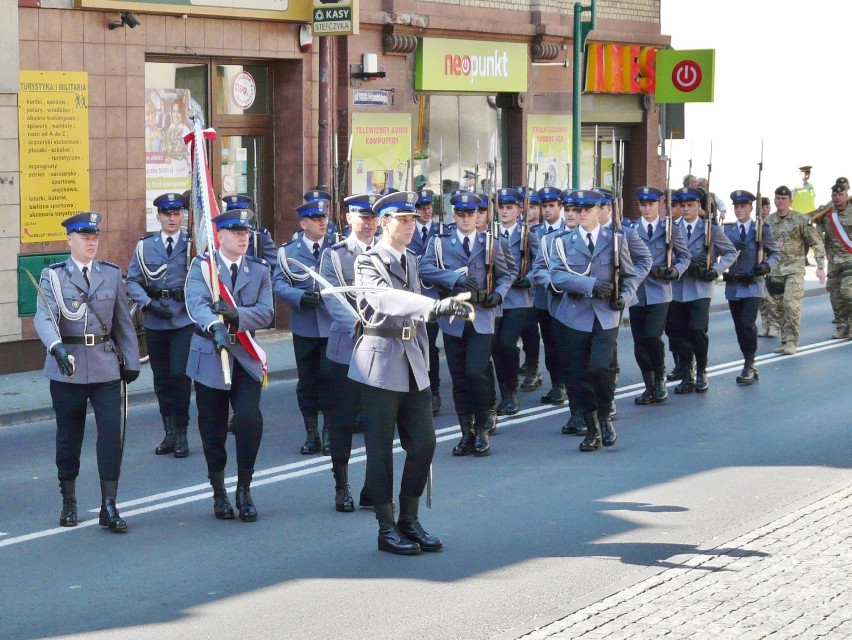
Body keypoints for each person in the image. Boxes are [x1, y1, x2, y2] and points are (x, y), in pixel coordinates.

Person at [349, 190, 471, 555]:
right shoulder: (367, 261)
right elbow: (385, 300)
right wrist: (435, 306)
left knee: (424, 443)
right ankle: (386, 527)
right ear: (384, 223)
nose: (409, 225)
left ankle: (409, 518)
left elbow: (412, 313)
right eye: (402, 220)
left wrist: (425, 352)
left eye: (413, 219)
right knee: (380, 449)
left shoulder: (411, 260)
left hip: (412, 359)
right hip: (380, 361)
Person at [33, 212, 140, 532]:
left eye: (95, 238)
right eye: (84, 238)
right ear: (70, 240)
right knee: (69, 437)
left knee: (111, 436)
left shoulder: (110, 274)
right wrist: (56, 347)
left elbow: (123, 321)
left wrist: (131, 361)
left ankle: (109, 504)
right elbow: (44, 318)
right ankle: (69, 500)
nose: (91, 243)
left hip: (105, 366)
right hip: (68, 368)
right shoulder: (53, 276)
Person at [184, 208, 274, 521]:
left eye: (246, 232)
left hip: (245, 358)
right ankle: (219, 489)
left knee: (249, 420)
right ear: (219, 236)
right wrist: (216, 326)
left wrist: (235, 317)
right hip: (211, 354)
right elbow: (196, 304)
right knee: (213, 427)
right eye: (236, 232)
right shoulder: (203, 267)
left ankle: (245, 487)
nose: (243, 237)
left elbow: (267, 312)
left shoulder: (259, 270)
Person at [549, 190, 650, 451]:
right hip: (574, 315)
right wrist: (592, 284)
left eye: (586, 209)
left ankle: (605, 415)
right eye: (576, 209)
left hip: (606, 315)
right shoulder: (562, 241)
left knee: (601, 368)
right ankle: (592, 428)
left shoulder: (616, 240)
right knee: (579, 374)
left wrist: (624, 298)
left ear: (598, 210)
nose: (581, 214)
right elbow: (557, 277)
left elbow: (630, 275)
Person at [420, 191, 513, 457]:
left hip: (482, 317)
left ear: (478, 215)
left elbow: (506, 275)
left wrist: (499, 295)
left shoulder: (491, 242)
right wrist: (453, 279)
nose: (465, 219)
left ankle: (483, 427)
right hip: (454, 319)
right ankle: (466, 432)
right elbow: (424, 268)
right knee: (460, 377)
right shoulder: (440, 243)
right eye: (460, 214)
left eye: (470, 214)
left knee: (476, 372)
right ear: (454, 215)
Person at [318, 193, 379, 512]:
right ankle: (342, 485)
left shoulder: (388, 253)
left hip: (383, 350)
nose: (368, 223)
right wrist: (359, 323)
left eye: (372, 217)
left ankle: (373, 486)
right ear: (348, 218)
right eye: (362, 216)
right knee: (341, 422)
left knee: (378, 422)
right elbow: (331, 297)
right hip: (347, 347)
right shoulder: (335, 255)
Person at [127, 192, 194, 458]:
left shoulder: (192, 244)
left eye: (177, 213)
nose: (172, 218)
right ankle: (168, 432)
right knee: (162, 380)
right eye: (167, 214)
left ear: (182, 215)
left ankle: (181, 433)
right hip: (155, 319)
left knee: (180, 376)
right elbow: (133, 280)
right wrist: (148, 304)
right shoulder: (146, 246)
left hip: (182, 318)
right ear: (159, 217)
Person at [273, 199, 335, 455]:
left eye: (324, 218)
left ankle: (329, 431)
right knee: (308, 382)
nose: (322, 223)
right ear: (303, 224)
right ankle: (312, 434)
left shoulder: (337, 246)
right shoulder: (288, 252)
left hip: (333, 325)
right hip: (306, 326)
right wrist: (298, 298)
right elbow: (278, 283)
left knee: (332, 381)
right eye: (316, 219)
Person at [669, 187, 738, 393]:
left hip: (700, 288)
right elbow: (663, 254)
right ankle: (687, 373)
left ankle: (701, 371)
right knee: (679, 333)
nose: (686, 209)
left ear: (699, 206)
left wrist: (715, 270)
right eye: (683, 205)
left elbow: (730, 252)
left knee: (697, 330)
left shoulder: (710, 229)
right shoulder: (671, 228)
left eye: (690, 205)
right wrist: (681, 262)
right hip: (678, 288)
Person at [631, 186, 690, 405]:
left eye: (651, 204)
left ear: (659, 205)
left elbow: (685, 256)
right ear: (639, 206)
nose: (646, 208)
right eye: (643, 204)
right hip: (637, 292)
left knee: (652, 336)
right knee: (639, 343)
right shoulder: (631, 229)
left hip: (660, 291)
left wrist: (675, 270)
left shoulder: (670, 229)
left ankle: (660, 379)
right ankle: (649, 385)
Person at [722, 190, 780, 384]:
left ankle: (749, 363)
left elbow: (774, 253)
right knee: (740, 328)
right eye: (736, 207)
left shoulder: (761, 229)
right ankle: (749, 361)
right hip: (734, 284)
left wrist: (765, 266)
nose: (739, 210)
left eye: (742, 206)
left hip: (754, 284)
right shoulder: (727, 231)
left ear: (750, 207)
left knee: (747, 323)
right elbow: (714, 253)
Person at [762, 185, 826, 355]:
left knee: (791, 304)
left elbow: (816, 242)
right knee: (778, 308)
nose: (780, 201)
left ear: (790, 200)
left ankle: (792, 341)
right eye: (777, 198)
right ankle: (784, 340)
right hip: (775, 272)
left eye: (783, 198)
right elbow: (760, 245)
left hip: (794, 270)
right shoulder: (768, 221)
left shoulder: (800, 219)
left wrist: (820, 266)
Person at [493, 188, 540, 416]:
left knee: (507, 345)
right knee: (495, 348)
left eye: (509, 207)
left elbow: (541, 263)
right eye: (501, 207)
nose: (504, 211)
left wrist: (529, 278)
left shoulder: (528, 235)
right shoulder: (490, 234)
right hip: (495, 300)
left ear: (519, 210)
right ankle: (504, 392)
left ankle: (511, 393)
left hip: (518, 300)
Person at [408, 188, 443, 415]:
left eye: (428, 207)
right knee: (420, 346)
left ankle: (434, 390)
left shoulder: (442, 232)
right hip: (413, 297)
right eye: (421, 208)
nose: (425, 212)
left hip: (437, 297)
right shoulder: (407, 231)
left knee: (430, 347)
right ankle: (421, 391)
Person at [535, 186, 568, 405]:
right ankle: (557, 384)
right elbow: (537, 267)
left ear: (560, 207)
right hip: (544, 297)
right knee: (550, 343)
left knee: (566, 342)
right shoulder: (535, 232)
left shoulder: (569, 229)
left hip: (568, 298)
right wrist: (550, 283)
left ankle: (568, 383)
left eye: (551, 206)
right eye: (544, 206)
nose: (547, 210)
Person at [812, 181, 852, 339]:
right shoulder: (827, 214)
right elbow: (813, 228)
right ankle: (842, 327)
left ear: (846, 195)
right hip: (833, 261)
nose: (837, 198)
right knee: (835, 295)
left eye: (840, 195)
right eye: (834, 195)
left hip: (850, 259)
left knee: (848, 292)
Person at [516, 186, 544, 390]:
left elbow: (541, 262)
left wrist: (531, 277)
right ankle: (527, 364)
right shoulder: (516, 230)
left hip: (537, 291)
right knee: (523, 331)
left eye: (533, 206)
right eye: (524, 207)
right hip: (518, 292)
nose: (529, 211)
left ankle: (533, 368)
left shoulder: (539, 232)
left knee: (531, 333)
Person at [222, 194, 277, 265]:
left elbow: (276, 268)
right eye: (236, 233)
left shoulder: (260, 237)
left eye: (245, 232)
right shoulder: (221, 236)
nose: (237, 216)